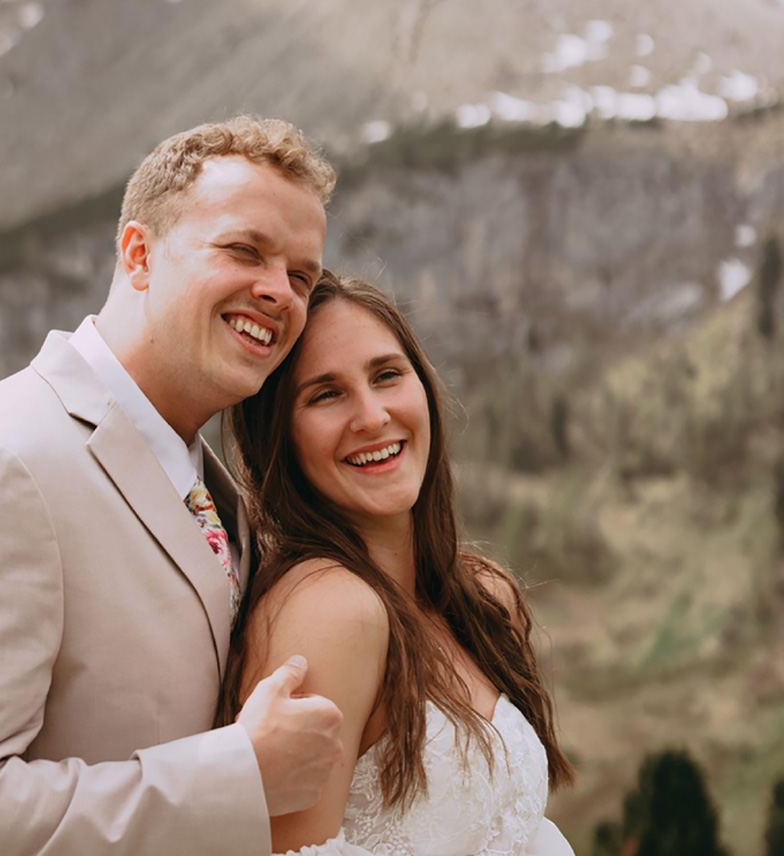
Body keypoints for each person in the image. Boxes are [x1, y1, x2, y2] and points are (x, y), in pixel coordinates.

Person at [0, 116, 346, 856]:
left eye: (301, 275)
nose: (279, 293)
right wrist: (236, 776)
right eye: (245, 250)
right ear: (139, 255)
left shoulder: (221, 493)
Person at [223, 271, 577, 856]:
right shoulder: (331, 611)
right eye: (326, 394)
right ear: (278, 437)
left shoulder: (485, 598)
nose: (372, 416)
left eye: (387, 375)